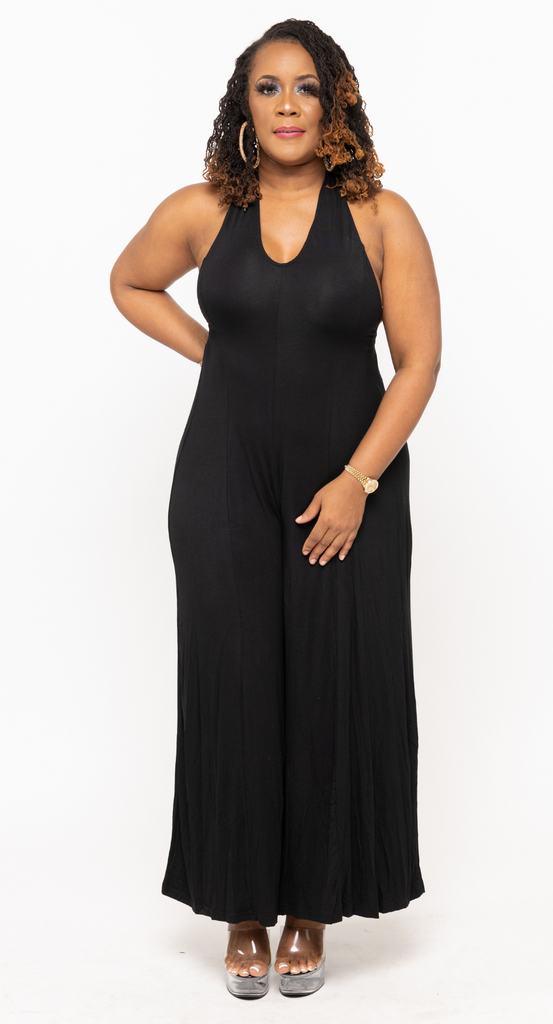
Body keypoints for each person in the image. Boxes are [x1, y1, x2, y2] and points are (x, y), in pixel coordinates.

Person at [109, 18, 441, 1000]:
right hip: (223, 478)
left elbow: (417, 362)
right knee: (236, 684)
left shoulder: (380, 217)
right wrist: (218, 355)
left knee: (332, 684)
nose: (287, 104)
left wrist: (357, 481)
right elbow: (130, 282)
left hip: (350, 484)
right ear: (243, 106)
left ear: (334, 102)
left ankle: (311, 910)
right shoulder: (203, 209)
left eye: (305, 86)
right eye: (268, 87)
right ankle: (243, 911)